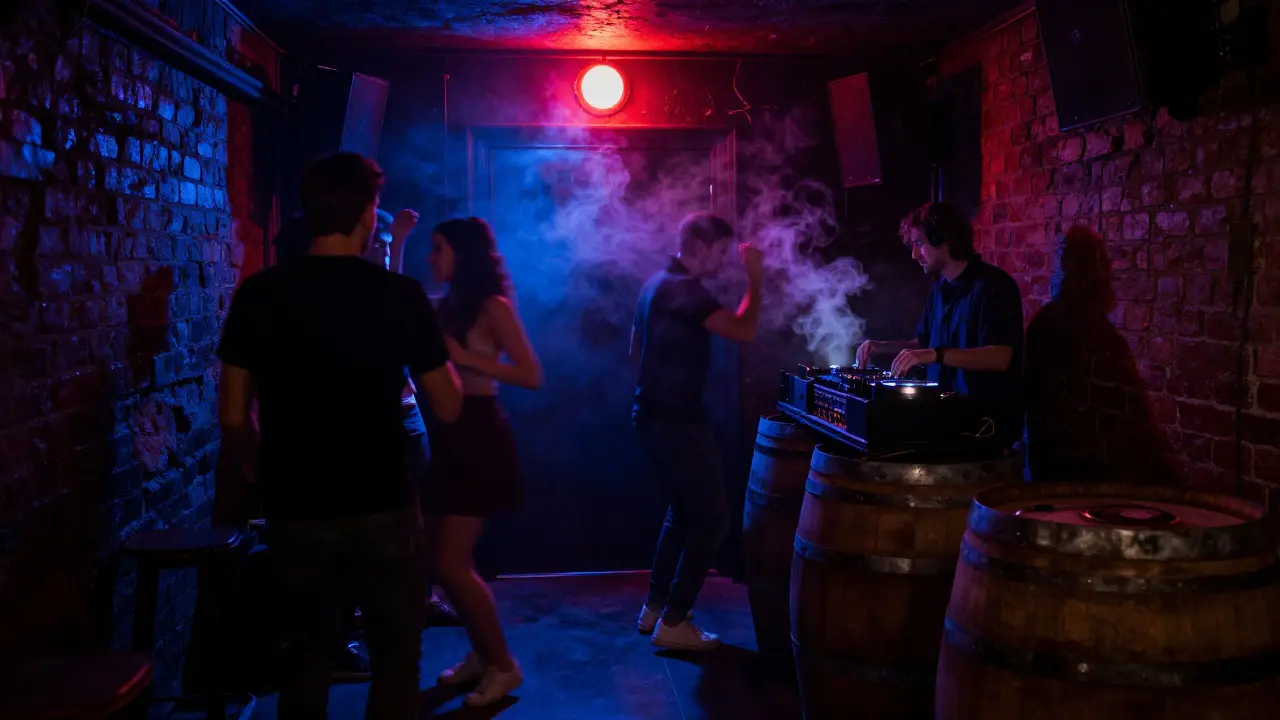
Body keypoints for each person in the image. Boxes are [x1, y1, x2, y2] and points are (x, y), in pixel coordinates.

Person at [214, 151, 464, 720]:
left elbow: (232, 415)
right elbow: (448, 406)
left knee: (306, 660)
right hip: (384, 503)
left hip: (295, 504)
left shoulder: (259, 294)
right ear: (369, 213)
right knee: (396, 660)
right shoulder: (397, 296)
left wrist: (258, 471)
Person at [420, 217, 543, 707]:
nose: (431, 258)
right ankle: (481, 653)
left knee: (451, 564)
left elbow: (531, 374)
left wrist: (465, 359)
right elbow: (395, 301)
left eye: (438, 249)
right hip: (448, 430)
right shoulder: (445, 305)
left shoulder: (494, 307)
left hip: (478, 433)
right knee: (446, 560)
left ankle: (503, 666)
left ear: (462, 253)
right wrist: (397, 241)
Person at [630, 211, 763, 652]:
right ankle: (674, 620)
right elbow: (743, 329)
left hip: (650, 417)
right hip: (678, 423)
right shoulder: (685, 290)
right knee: (713, 520)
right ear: (700, 246)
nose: (724, 262)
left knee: (682, 512)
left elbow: (634, 350)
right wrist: (756, 278)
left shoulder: (654, 285)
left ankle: (654, 609)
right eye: (721, 252)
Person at [854, 200, 1024, 449]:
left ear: (944, 239)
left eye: (919, 243)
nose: (914, 254)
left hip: (984, 428)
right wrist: (881, 347)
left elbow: (1000, 357)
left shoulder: (993, 286)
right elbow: (923, 345)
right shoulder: (940, 289)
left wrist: (936, 354)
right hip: (946, 420)